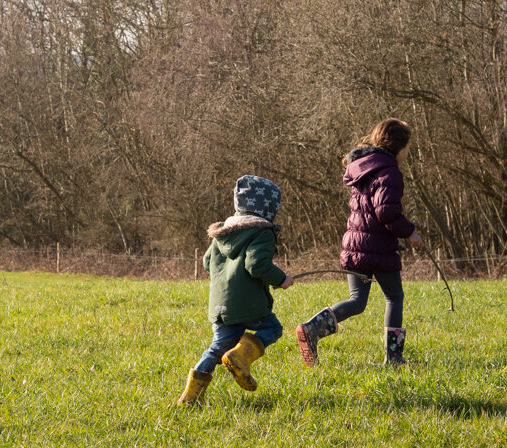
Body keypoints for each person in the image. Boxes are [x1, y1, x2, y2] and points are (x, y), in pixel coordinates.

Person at [295, 119, 423, 366]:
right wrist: (409, 233)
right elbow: (386, 212)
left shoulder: (364, 167)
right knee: (394, 297)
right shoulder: (390, 172)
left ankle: (311, 329)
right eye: (408, 147)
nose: (408, 152)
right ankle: (394, 358)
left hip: (355, 243)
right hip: (377, 247)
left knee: (357, 300)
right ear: (398, 147)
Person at [177, 175, 295, 406]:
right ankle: (240, 356)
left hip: (220, 305)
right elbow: (256, 264)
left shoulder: (222, 231)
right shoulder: (262, 231)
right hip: (248, 303)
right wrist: (281, 279)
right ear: (269, 208)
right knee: (272, 328)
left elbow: (205, 262)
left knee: (216, 348)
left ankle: (191, 396)